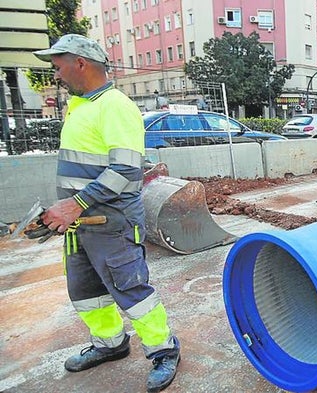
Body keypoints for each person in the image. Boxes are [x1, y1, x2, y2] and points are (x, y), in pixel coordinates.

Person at [32, 34, 180, 392]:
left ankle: (164, 350)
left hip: (111, 223)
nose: (56, 74)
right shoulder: (80, 106)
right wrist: (64, 212)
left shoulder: (115, 105)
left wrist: (74, 204)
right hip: (79, 226)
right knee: (85, 293)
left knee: (132, 291)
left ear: (80, 63)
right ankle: (111, 344)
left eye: (58, 65)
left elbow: (125, 171)